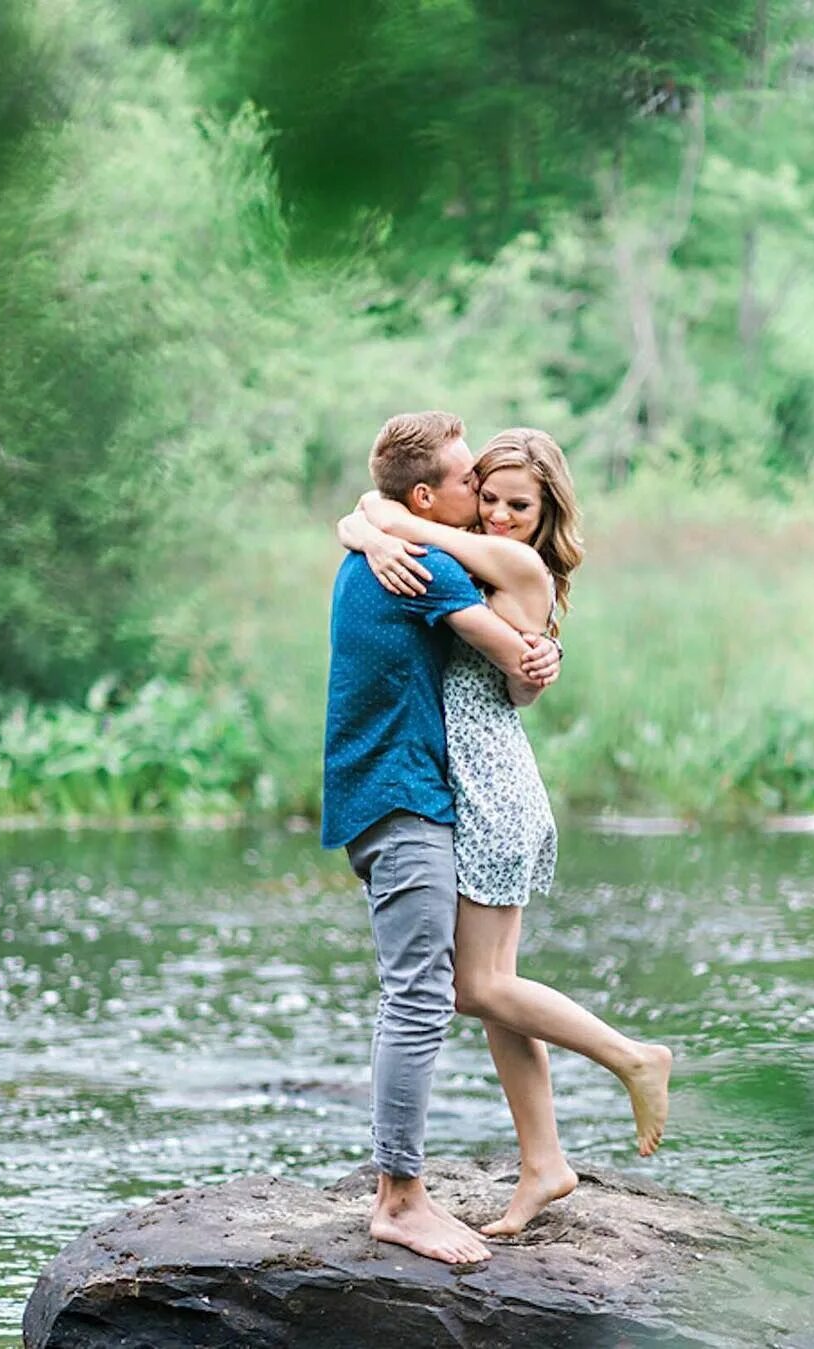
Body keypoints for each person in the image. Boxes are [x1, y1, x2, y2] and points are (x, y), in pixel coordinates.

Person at [339, 427, 672, 1238]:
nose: (497, 514)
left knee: (476, 988)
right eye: (487, 496)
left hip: (489, 789)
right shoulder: (483, 551)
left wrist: (372, 525)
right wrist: (360, 523)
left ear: (546, 508)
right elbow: (387, 510)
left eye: (518, 504)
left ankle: (632, 1056)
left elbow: (408, 523)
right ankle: (544, 1163)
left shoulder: (518, 566)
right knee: (498, 996)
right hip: (485, 781)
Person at [321, 411, 562, 1265]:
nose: (484, 502)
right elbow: (516, 656)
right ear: (427, 495)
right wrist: (536, 654)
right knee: (423, 994)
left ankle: (543, 1159)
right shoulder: (421, 562)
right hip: (405, 796)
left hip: (405, 792)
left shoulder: (399, 543)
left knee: (445, 987)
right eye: (471, 484)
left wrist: (372, 517)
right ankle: (399, 1199)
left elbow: (378, 509)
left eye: (506, 497)